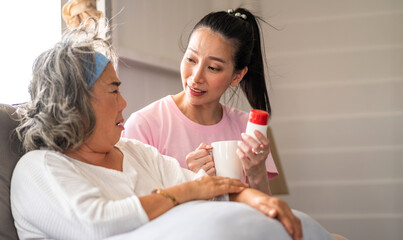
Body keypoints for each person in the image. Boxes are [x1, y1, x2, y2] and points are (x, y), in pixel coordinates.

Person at [9, 19, 337, 240]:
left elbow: (205, 186)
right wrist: (183, 194)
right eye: (113, 91)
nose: (124, 103)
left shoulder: (135, 153)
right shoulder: (41, 167)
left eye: (214, 67)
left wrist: (259, 199)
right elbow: (96, 223)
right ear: (74, 102)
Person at [123, 8, 277, 195]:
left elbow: (265, 213)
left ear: (237, 76)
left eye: (213, 67)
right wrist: (189, 181)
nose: (196, 77)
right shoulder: (144, 125)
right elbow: (138, 209)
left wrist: (256, 173)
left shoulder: (247, 129)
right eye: (191, 59)